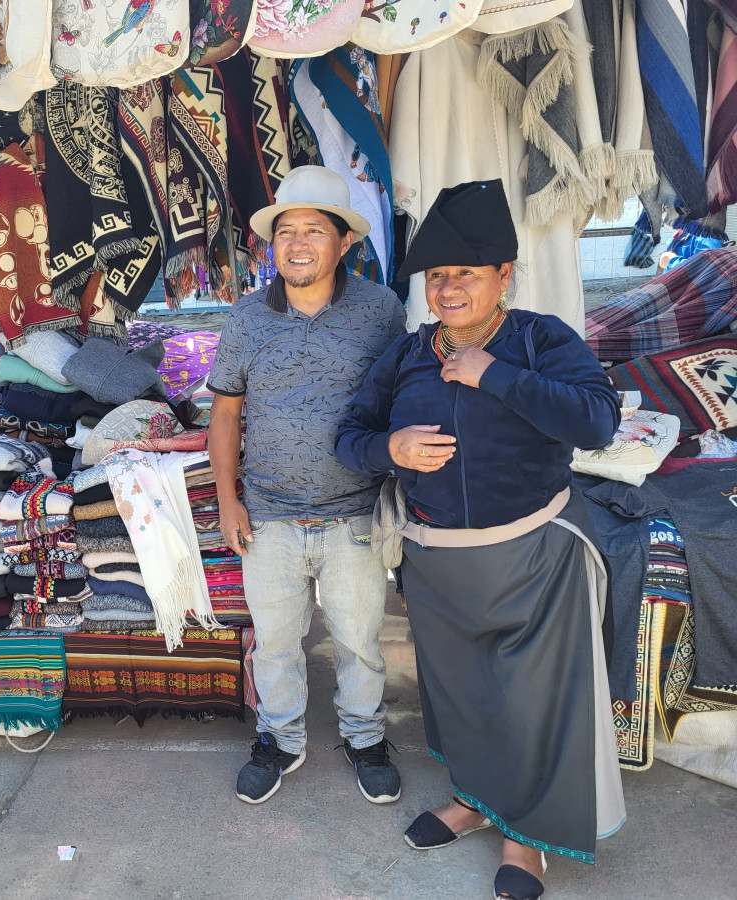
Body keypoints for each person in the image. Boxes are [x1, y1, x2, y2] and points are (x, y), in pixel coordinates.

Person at [335, 180, 626, 900]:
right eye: (437, 276)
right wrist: (391, 449)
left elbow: (595, 422)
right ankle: (472, 799)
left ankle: (526, 837)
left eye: (466, 273)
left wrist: (493, 374)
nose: (449, 288)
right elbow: (349, 438)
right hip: (438, 566)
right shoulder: (405, 355)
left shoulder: (538, 340)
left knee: (531, 704)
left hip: (533, 558)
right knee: (460, 696)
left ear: (504, 276)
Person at [207, 165, 406, 806]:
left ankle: (365, 737)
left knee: (358, 642)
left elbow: (401, 398)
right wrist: (229, 499)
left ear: (344, 240)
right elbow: (227, 413)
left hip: (356, 514)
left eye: (313, 231)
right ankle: (280, 739)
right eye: (285, 231)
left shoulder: (380, 311)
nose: (296, 244)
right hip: (267, 515)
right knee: (276, 645)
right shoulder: (245, 318)